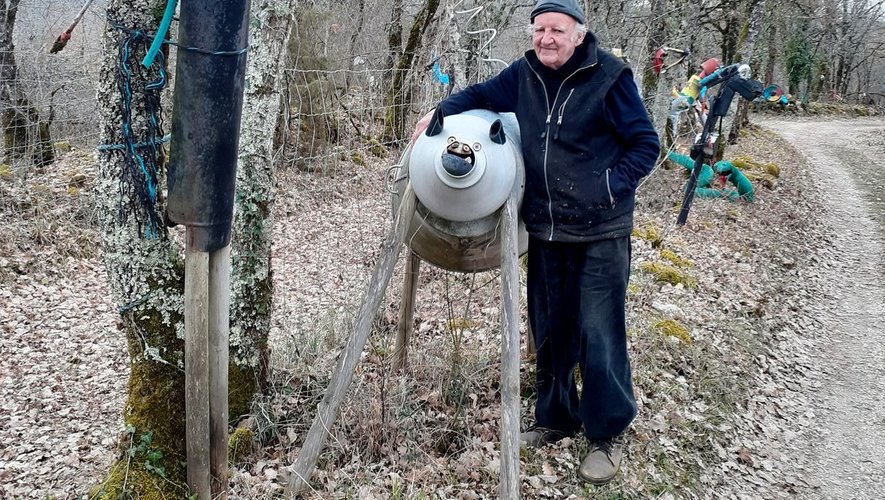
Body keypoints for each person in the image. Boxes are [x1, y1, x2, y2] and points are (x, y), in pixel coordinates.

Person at [411, 0, 659, 486]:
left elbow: (645, 144)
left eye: (557, 30)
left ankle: (606, 433)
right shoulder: (522, 73)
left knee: (598, 333)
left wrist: (608, 186)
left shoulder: (610, 76)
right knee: (550, 329)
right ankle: (555, 418)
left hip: (600, 231)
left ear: (579, 33)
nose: (546, 38)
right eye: (539, 29)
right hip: (545, 228)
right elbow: (482, 94)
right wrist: (439, 110)